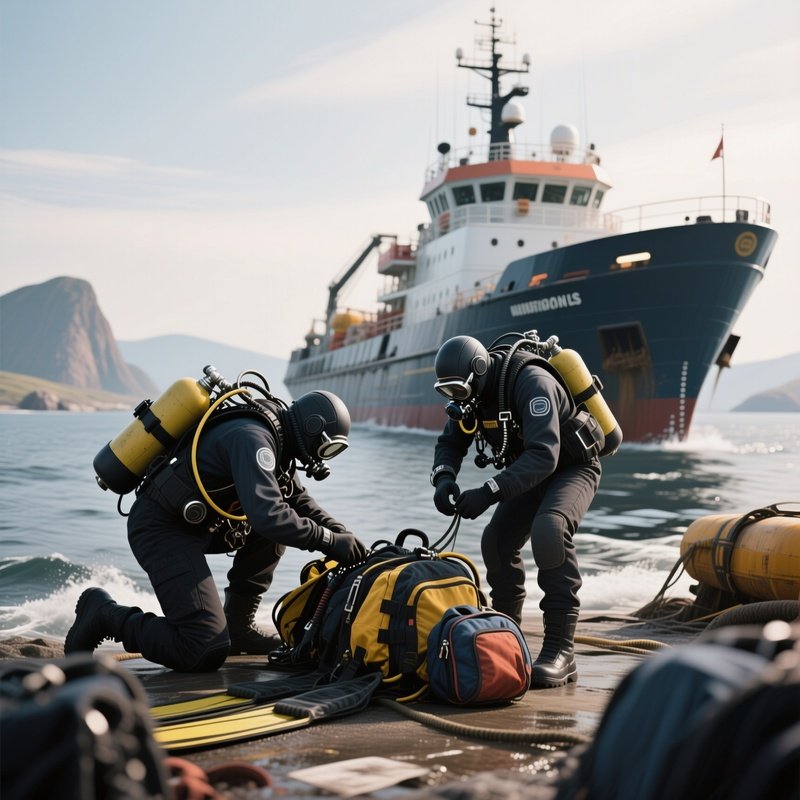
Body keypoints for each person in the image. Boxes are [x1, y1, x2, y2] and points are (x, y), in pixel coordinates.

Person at [66, 389, 368, 672]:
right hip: (161, 527)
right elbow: (270, 516)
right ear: (313, 428)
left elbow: (298, 501)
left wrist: (344, 536)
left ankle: (239, 626)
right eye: (327, 448)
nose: (322, 457)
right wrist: (329, 541)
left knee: (278, 527)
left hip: (198, 524)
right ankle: (104, 614)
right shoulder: (253, 438)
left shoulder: (279, 438)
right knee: (202, 648)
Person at [429, 335, 603, 688]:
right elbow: (450, 442)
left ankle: (560, 651)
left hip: (572, 466)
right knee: (496, 541)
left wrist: (488, 491)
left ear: (479, 370)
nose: (456, 399)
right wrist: (444, 478)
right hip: (530, 473)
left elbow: (544, 454)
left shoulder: (531, 382)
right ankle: (507, 639)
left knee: (550, 529)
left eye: (458, 390)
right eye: (448, 392)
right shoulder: (471, 395)